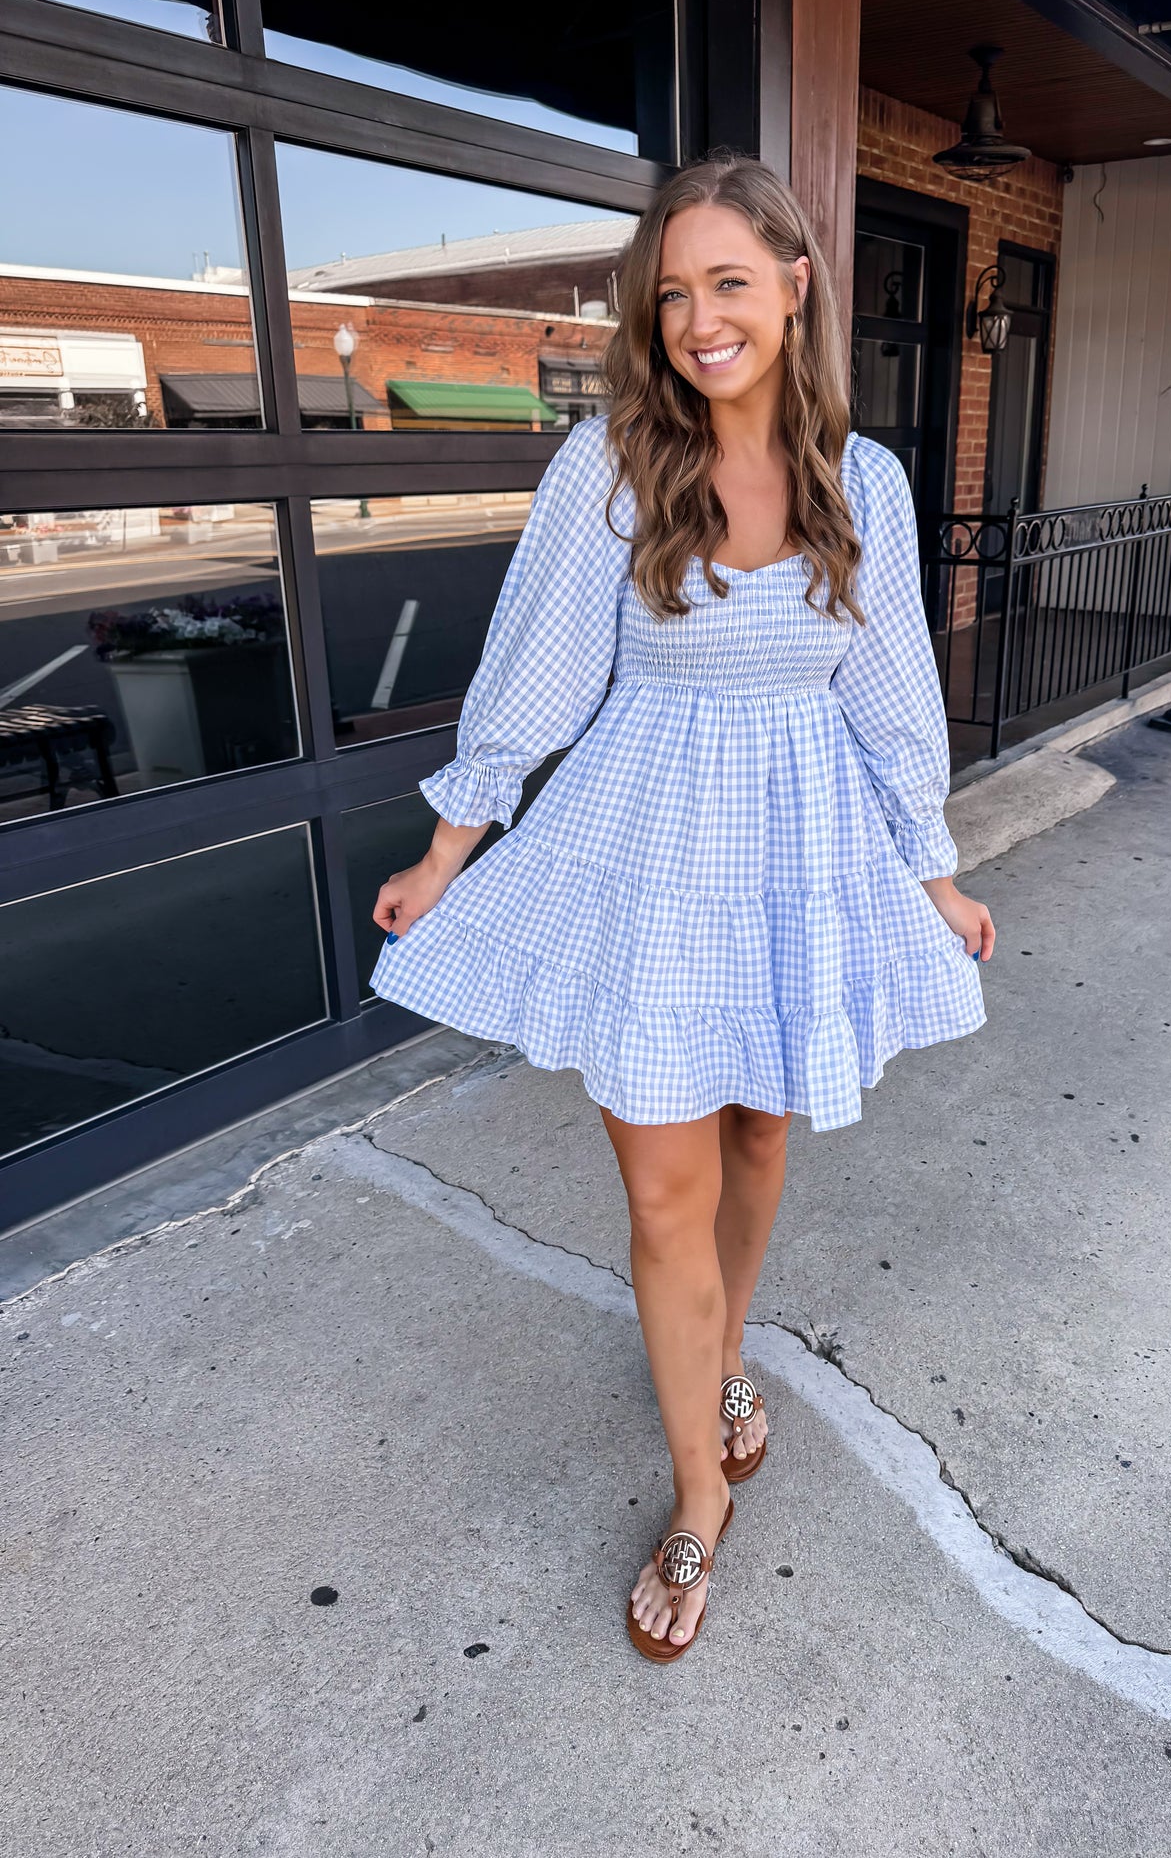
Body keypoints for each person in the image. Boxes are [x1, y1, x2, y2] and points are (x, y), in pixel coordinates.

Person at [369, 148, 996, 1662]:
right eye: (672, 295)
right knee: (664, 1187)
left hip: (804, 848)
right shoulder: (608, 467)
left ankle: (721, 1360)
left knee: (763, 1131)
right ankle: (698, 1494)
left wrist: (933, 869)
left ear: (793, 285)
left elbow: (890, 692)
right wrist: (449, 850)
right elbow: (533, 672)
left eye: (728, 282)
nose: (700, 319)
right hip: (647, 845)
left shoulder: (872, 479)